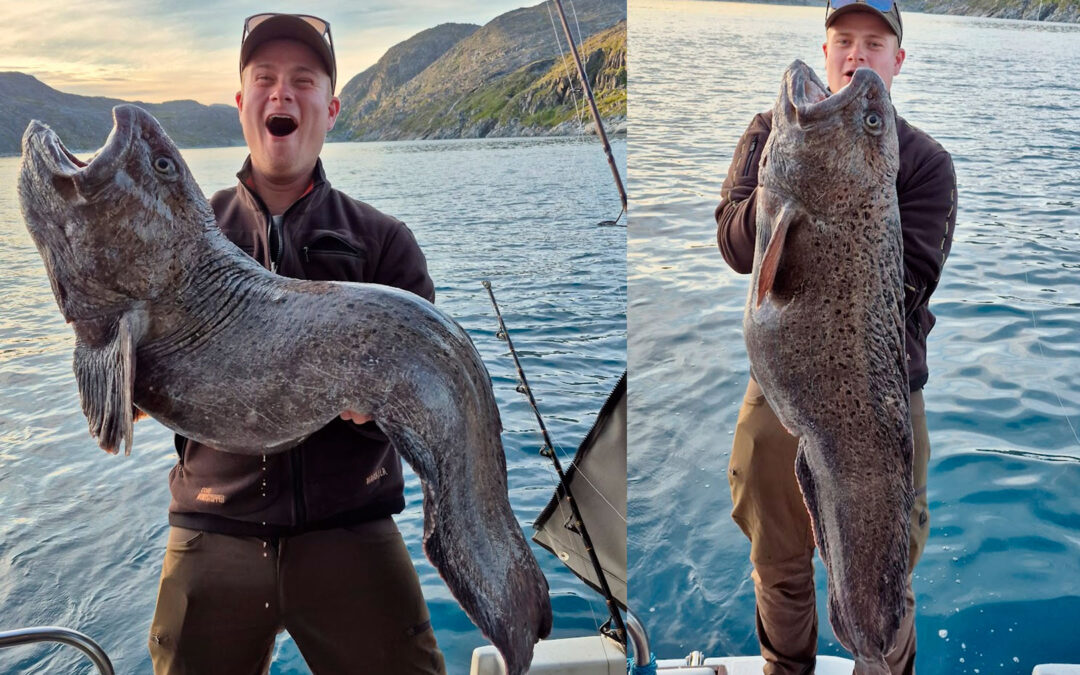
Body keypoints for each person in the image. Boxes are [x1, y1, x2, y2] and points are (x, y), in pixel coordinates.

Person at [147, 14, 446, 675]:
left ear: (331, 108)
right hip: (210, 528)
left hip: (350, 525)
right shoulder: (181, 237)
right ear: (241, 102)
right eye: (265, 79)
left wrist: (383, 404)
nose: (282, 94)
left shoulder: (385, 243)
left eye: (302, 81)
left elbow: (423, 388)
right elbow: (130, 393)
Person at [714, 2, 956, 673]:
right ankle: (784, 664)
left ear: (896, 61)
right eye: (843, 41)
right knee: (772, 539)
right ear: (825, 51)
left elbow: (909, 284)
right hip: (784, 382)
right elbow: (733, 246)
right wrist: (775, 191)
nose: (856, 56)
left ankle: (880, 660)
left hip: (880, 391)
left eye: (873, 44)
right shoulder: (771, 133)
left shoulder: (928, 164)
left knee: (886, 561)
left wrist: (831, 200)